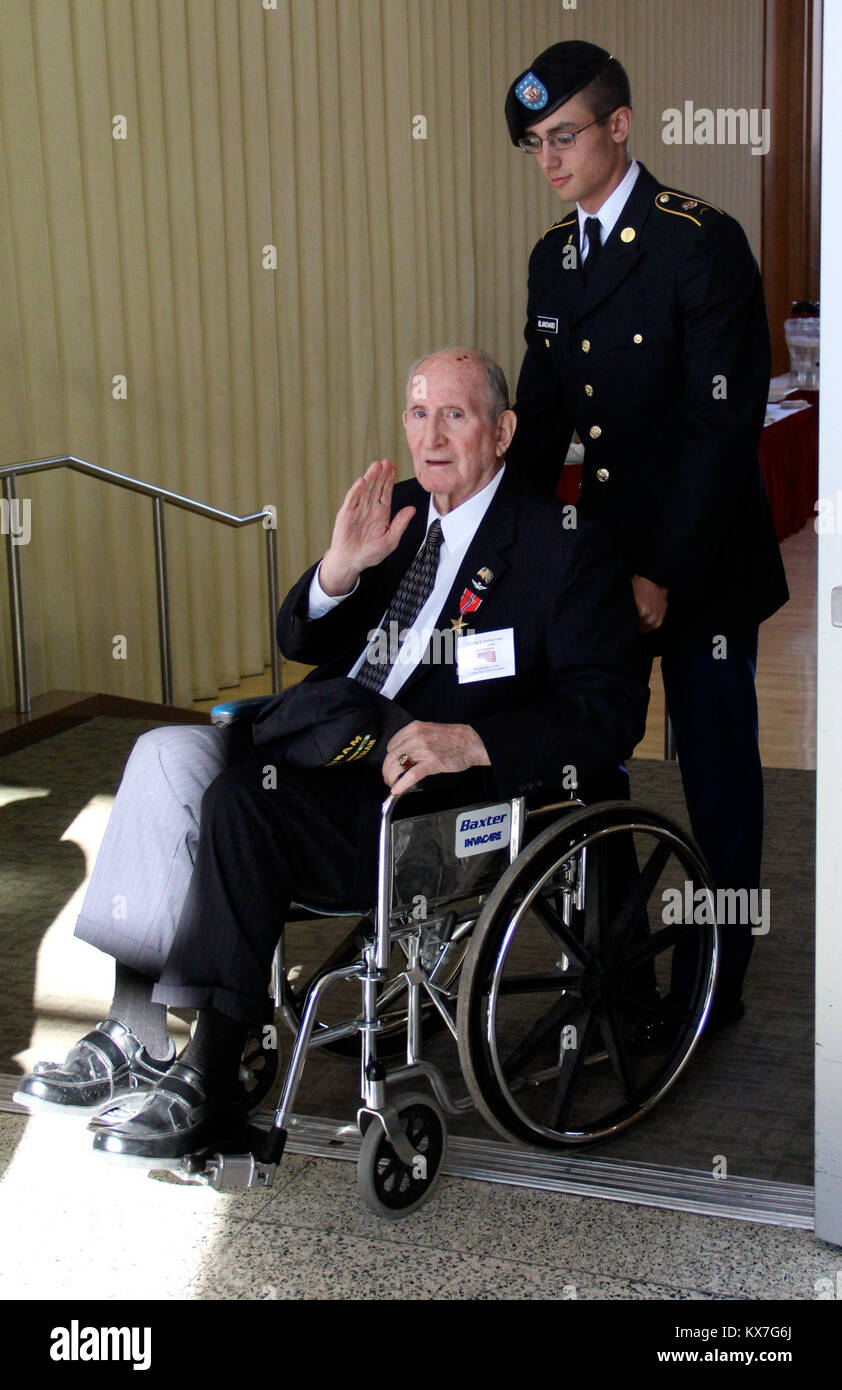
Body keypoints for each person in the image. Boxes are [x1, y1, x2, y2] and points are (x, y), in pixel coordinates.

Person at [16, 346, 648, 1159]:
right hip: (326, 740)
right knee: (165, 756)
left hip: (429, 796)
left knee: (241, 804)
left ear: (503, 431)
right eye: (418, 414)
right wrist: (340, 572)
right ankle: (135, 1033)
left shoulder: (563, 542)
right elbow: (297, 637)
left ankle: (218, 1067)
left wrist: (473, 738)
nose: (432, 435)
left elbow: (610, 709)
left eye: (455, 414)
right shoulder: (400, 517)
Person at [504, 42, 789, 1030]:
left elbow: (722, 429)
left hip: (700, 560)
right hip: (603, 559)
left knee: (714, 769)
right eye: (536, 144)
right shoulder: (553, 258)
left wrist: (662, 573)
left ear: (618, 126)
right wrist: (503, 554)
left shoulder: (698, 242)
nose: (549, 158)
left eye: (564, 136)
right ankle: (612, 970)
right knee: (588, 760)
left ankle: (715, 983)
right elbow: (540, 426)